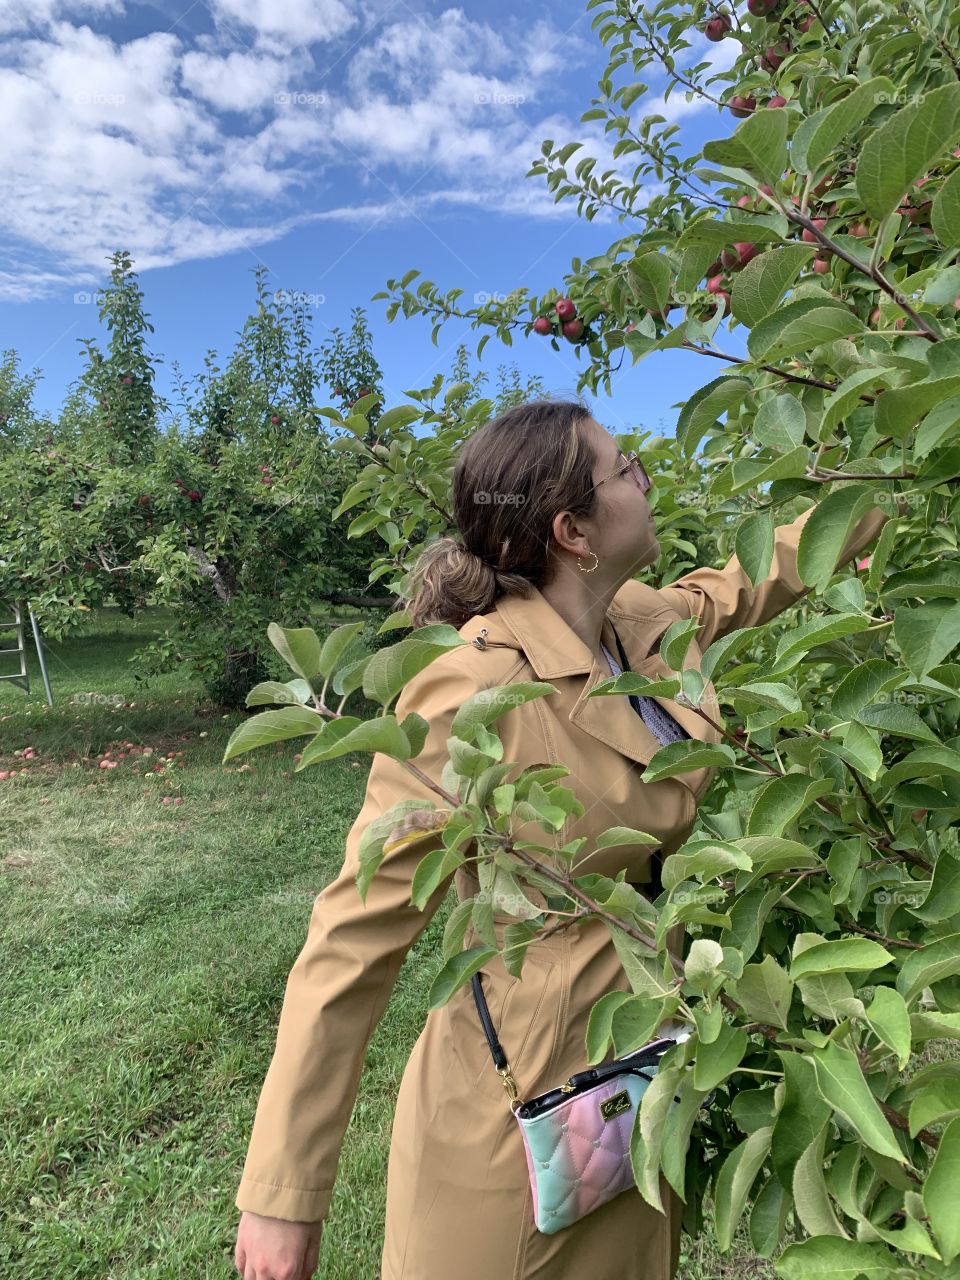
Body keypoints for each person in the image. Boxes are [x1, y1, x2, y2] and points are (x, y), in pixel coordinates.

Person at [234, 398, 890, 1280]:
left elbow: (745, 580)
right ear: (573, 528)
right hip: (523, 1108)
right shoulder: (469, 688)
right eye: (627, 470)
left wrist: (883, 478)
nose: (645, 479)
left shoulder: (631, 624)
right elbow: (353, 939)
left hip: (643, 1072)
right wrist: (281, 1194)